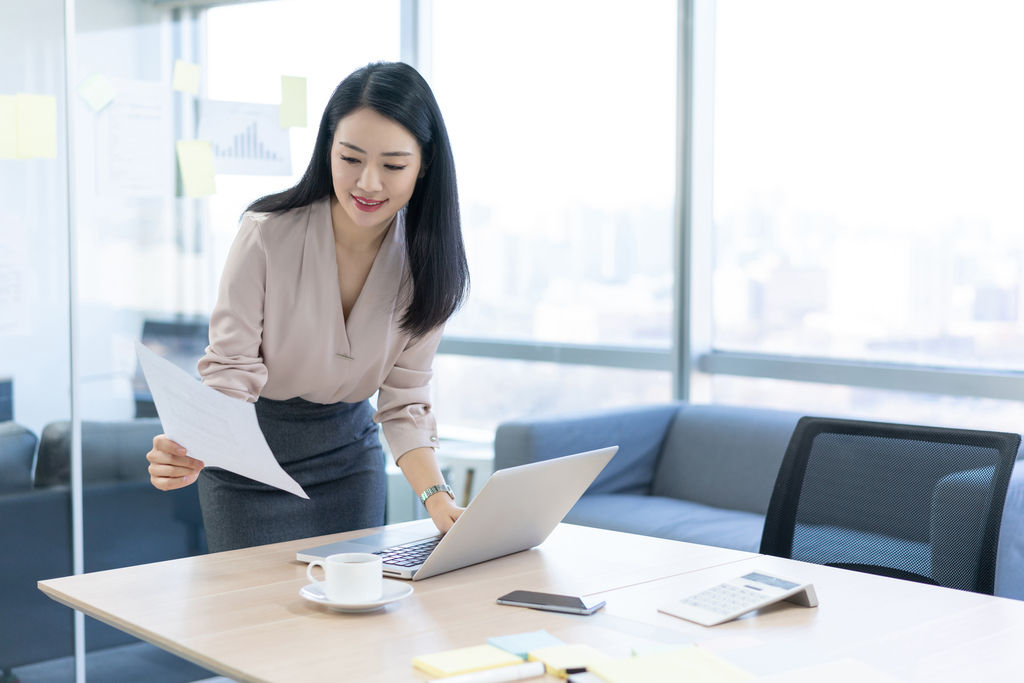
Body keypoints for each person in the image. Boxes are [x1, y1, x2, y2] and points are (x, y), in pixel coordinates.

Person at [145, 61, 470, 552]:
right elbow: (230, 370)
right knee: (253, 621)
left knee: (350, 621)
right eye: (351, 158)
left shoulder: (429, 267)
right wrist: (192, 448)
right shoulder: (266, 233)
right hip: (247, 459)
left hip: (349, 463)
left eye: (393, 165)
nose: (368, 183)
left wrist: (438, 498)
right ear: (327, 151)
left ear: (424, 164)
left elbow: (405, 405)